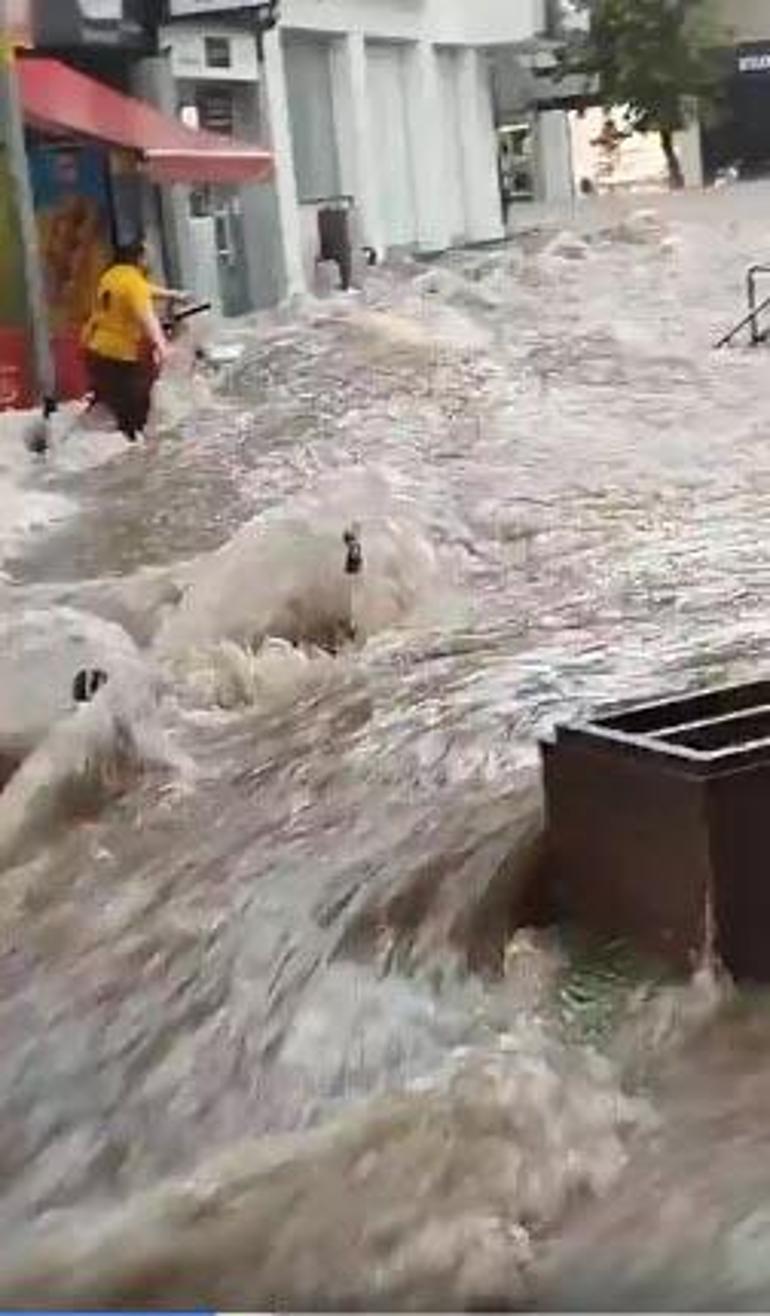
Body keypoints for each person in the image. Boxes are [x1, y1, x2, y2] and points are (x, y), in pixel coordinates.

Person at [82, 239, 189, 442]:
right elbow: (148, 318)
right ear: (139, 259)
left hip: (95, 351)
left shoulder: (113, 275)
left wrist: (174, 295)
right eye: (148, 256)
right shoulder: (133, 283)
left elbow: (145, 290)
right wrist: (163, 348)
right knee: (137, 408)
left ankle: (90, 435)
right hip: (118, 357)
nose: (151, 260)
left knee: (108, 401)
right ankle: (131, 447)